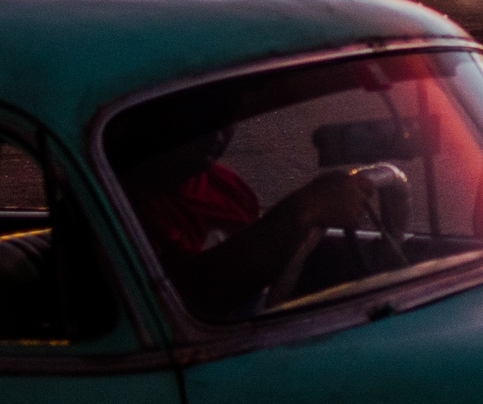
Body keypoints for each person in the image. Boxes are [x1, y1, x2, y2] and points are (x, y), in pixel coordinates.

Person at [121, 127, 389, 317]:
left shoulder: (227, 186)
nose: (217, 136)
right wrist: (305, 208)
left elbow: (268, 291)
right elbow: (191, 301)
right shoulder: (125, 206)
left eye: (224, 120)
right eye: (198, 122)